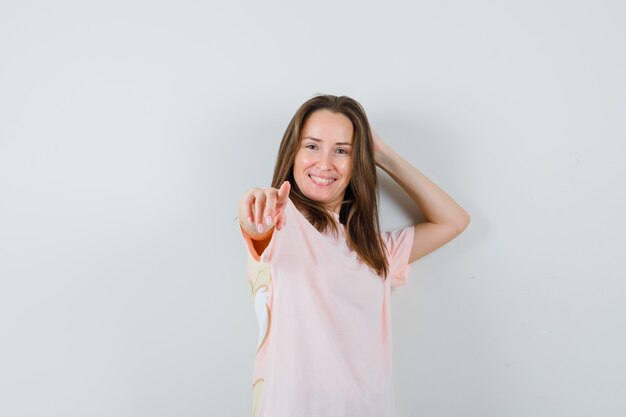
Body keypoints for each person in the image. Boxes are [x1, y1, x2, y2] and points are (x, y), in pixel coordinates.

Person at [237, 94, 470, 417]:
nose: (324, 163)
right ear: (293, 152)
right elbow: (259, 230)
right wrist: (256, 212)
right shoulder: (281, 220)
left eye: (342, 150)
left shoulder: (374, 251)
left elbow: (454, 221)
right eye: (312, 146)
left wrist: (382, 155)